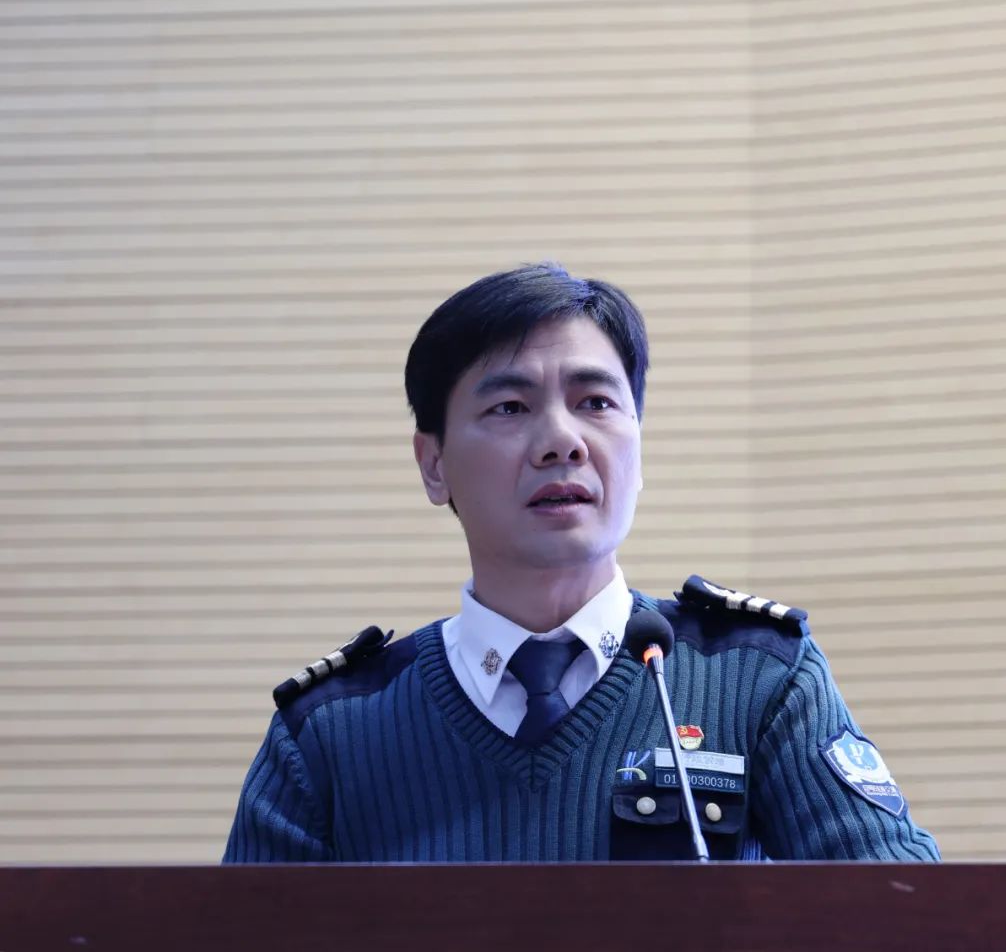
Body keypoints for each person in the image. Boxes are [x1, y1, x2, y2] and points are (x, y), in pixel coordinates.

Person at [223, 263, 940, 862]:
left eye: (595, 402)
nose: (561, 441)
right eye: (510, 408)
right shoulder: (331, 733)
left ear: (638, 446)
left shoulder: (756, 678)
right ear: (433, 464)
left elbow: (906, 917)